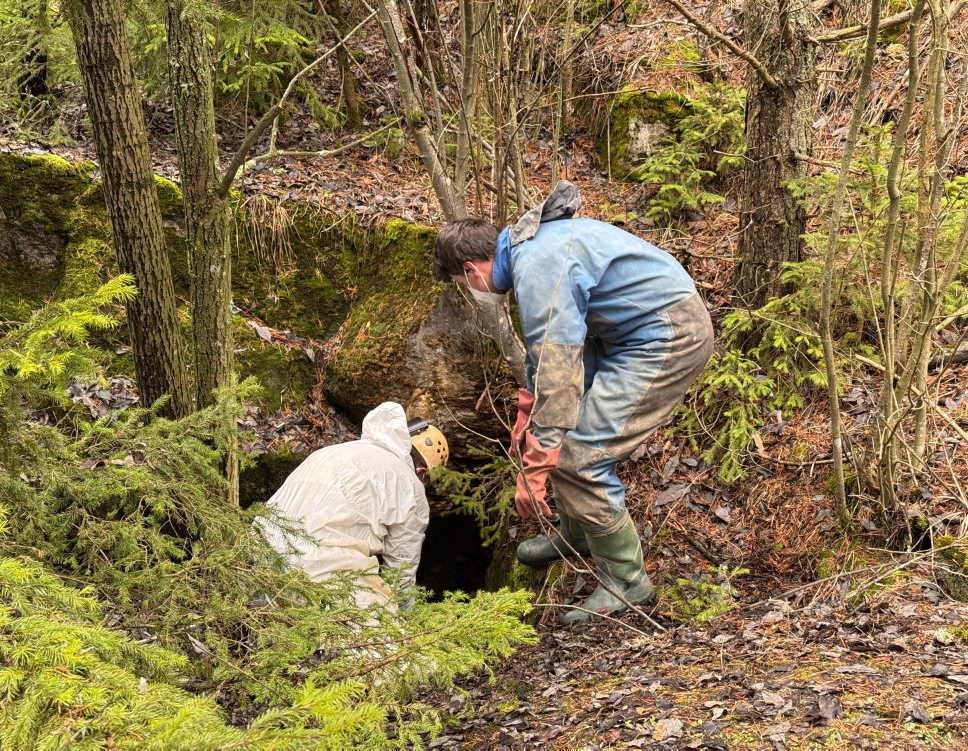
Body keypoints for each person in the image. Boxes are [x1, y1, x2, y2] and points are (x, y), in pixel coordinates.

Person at [431, 181, 713, 624]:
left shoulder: (538, 265)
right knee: (558, 435)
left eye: (463, 284)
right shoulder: (529, 250)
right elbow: (547, 355)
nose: (473, 290)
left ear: (471, 269)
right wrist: (527, 414)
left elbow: (559, 373)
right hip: (621, 333)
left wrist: (536, 466)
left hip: (666, 335)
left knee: (579, 456)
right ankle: (578, 532)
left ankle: (627, 582)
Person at [261, 402, 449, 608]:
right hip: (315, 571)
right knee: (381, 622)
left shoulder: (332, 452)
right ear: (422, 470)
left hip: (258, 560)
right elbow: (401, 570)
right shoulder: (410, 485)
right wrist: (404, 615)